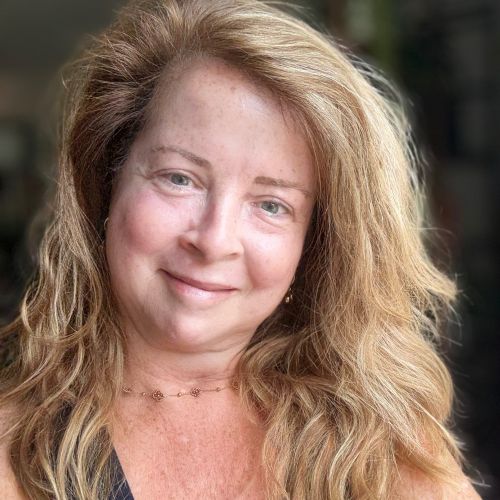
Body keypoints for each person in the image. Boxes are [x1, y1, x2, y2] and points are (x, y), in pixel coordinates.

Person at [0, 0, 482, 498]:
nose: (213, 241)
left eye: (272, 205)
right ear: (107, 181)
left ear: (314, 246)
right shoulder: (12, 451)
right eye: (179, 178)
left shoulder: (381, 447)